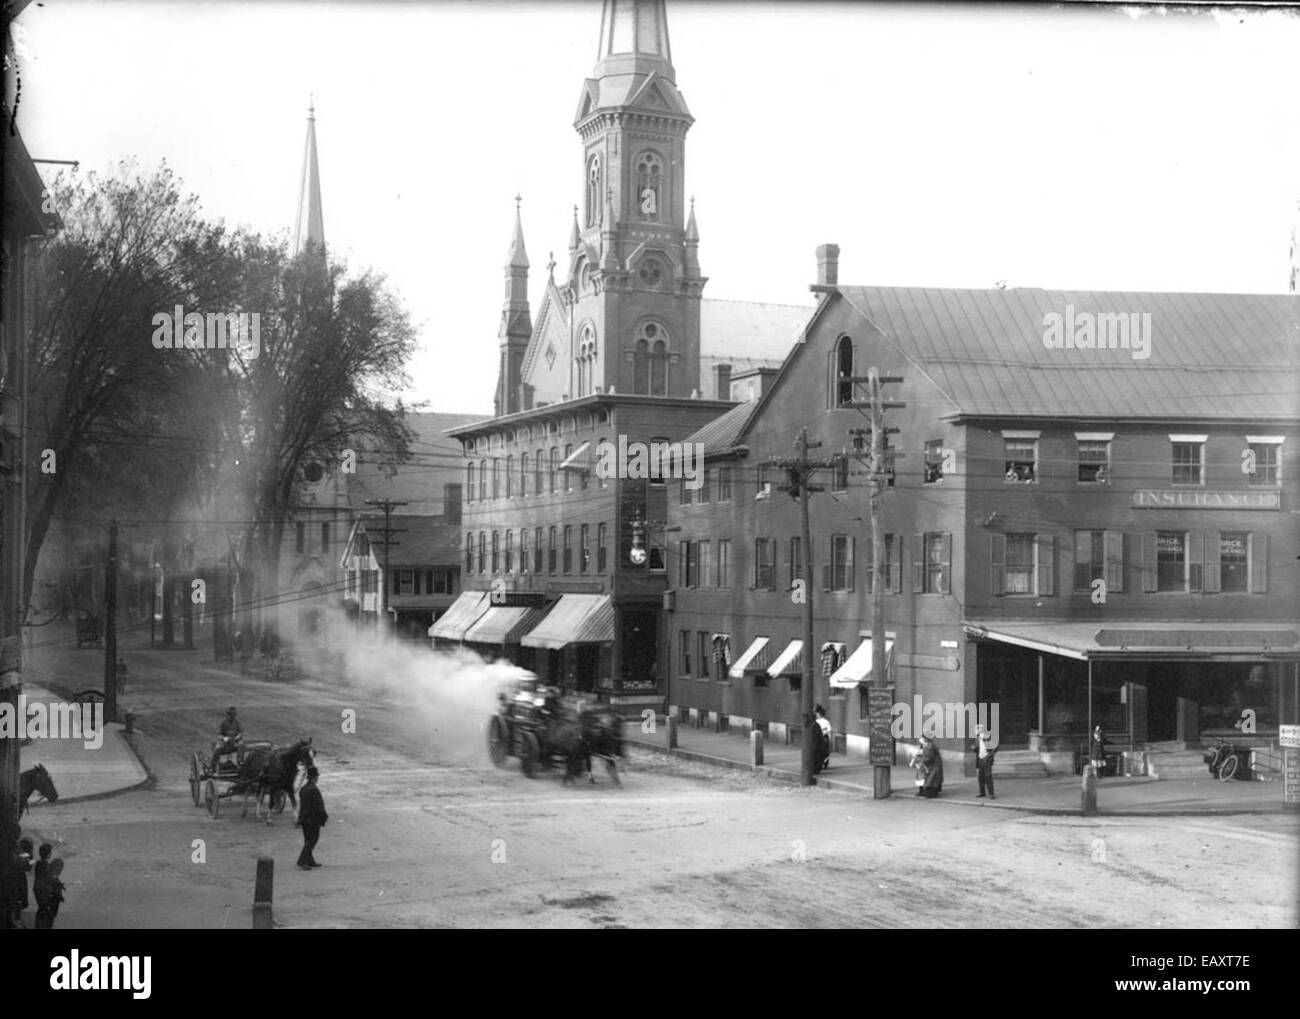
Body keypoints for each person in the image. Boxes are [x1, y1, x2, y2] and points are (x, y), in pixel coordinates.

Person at [296, 766, 328, 870]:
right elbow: (319, 805)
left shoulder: (304, 789)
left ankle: (310, 860)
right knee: (313, 840)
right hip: (313, 819)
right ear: (315, 777)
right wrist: (323, 816)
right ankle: (302, 860)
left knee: (308, 840)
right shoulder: (314, 790)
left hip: (304, 818)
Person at [34, 858, 65, 929]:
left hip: (47, 908)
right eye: (60, 869)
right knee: (46, 923)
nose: (60, 871)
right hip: (48, 907)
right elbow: (50, 892)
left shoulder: (51, 877)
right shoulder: (51, 879)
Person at [211, 706, 244, 772]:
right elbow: (219, 735)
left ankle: (240, 763)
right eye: (231, 715)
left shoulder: (237, 722)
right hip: (225, 742)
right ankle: (213, 766)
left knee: (241, 745)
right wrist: (224, 738)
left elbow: (240, 732)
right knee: (218, 749)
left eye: (234, 715)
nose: (232, 716)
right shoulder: (223, 723)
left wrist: (238, 736)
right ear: (228, 715)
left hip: (235, 741)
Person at [918, 734, 944, 798]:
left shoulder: (929, 746)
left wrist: (922, 761)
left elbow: (928, 757)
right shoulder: (928, 745)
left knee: (932, 780)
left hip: (933, 765)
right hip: (934, 765)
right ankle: (930, 792)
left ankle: (930, 793)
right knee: (932, 780)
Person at [975, 727, 997, 799]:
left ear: (981, 730)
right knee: (980, 776)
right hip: (980, 758)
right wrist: (974, 749)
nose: (976, 730)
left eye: (977, 729)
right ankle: (982, 792)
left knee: (988, 776)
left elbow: (995, 746)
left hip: (986, 758)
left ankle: (991, 794)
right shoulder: (977, 738)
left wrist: (990, 755)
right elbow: (978, 748)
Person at [814, 704, 833, 772]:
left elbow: (829, 729)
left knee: (824, 750)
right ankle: (821, 762)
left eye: (817, 714)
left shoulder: (825, 722)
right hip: (819, 737)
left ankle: (824, 762)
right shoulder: (816, 722)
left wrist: (823, 732)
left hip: (824, 737)